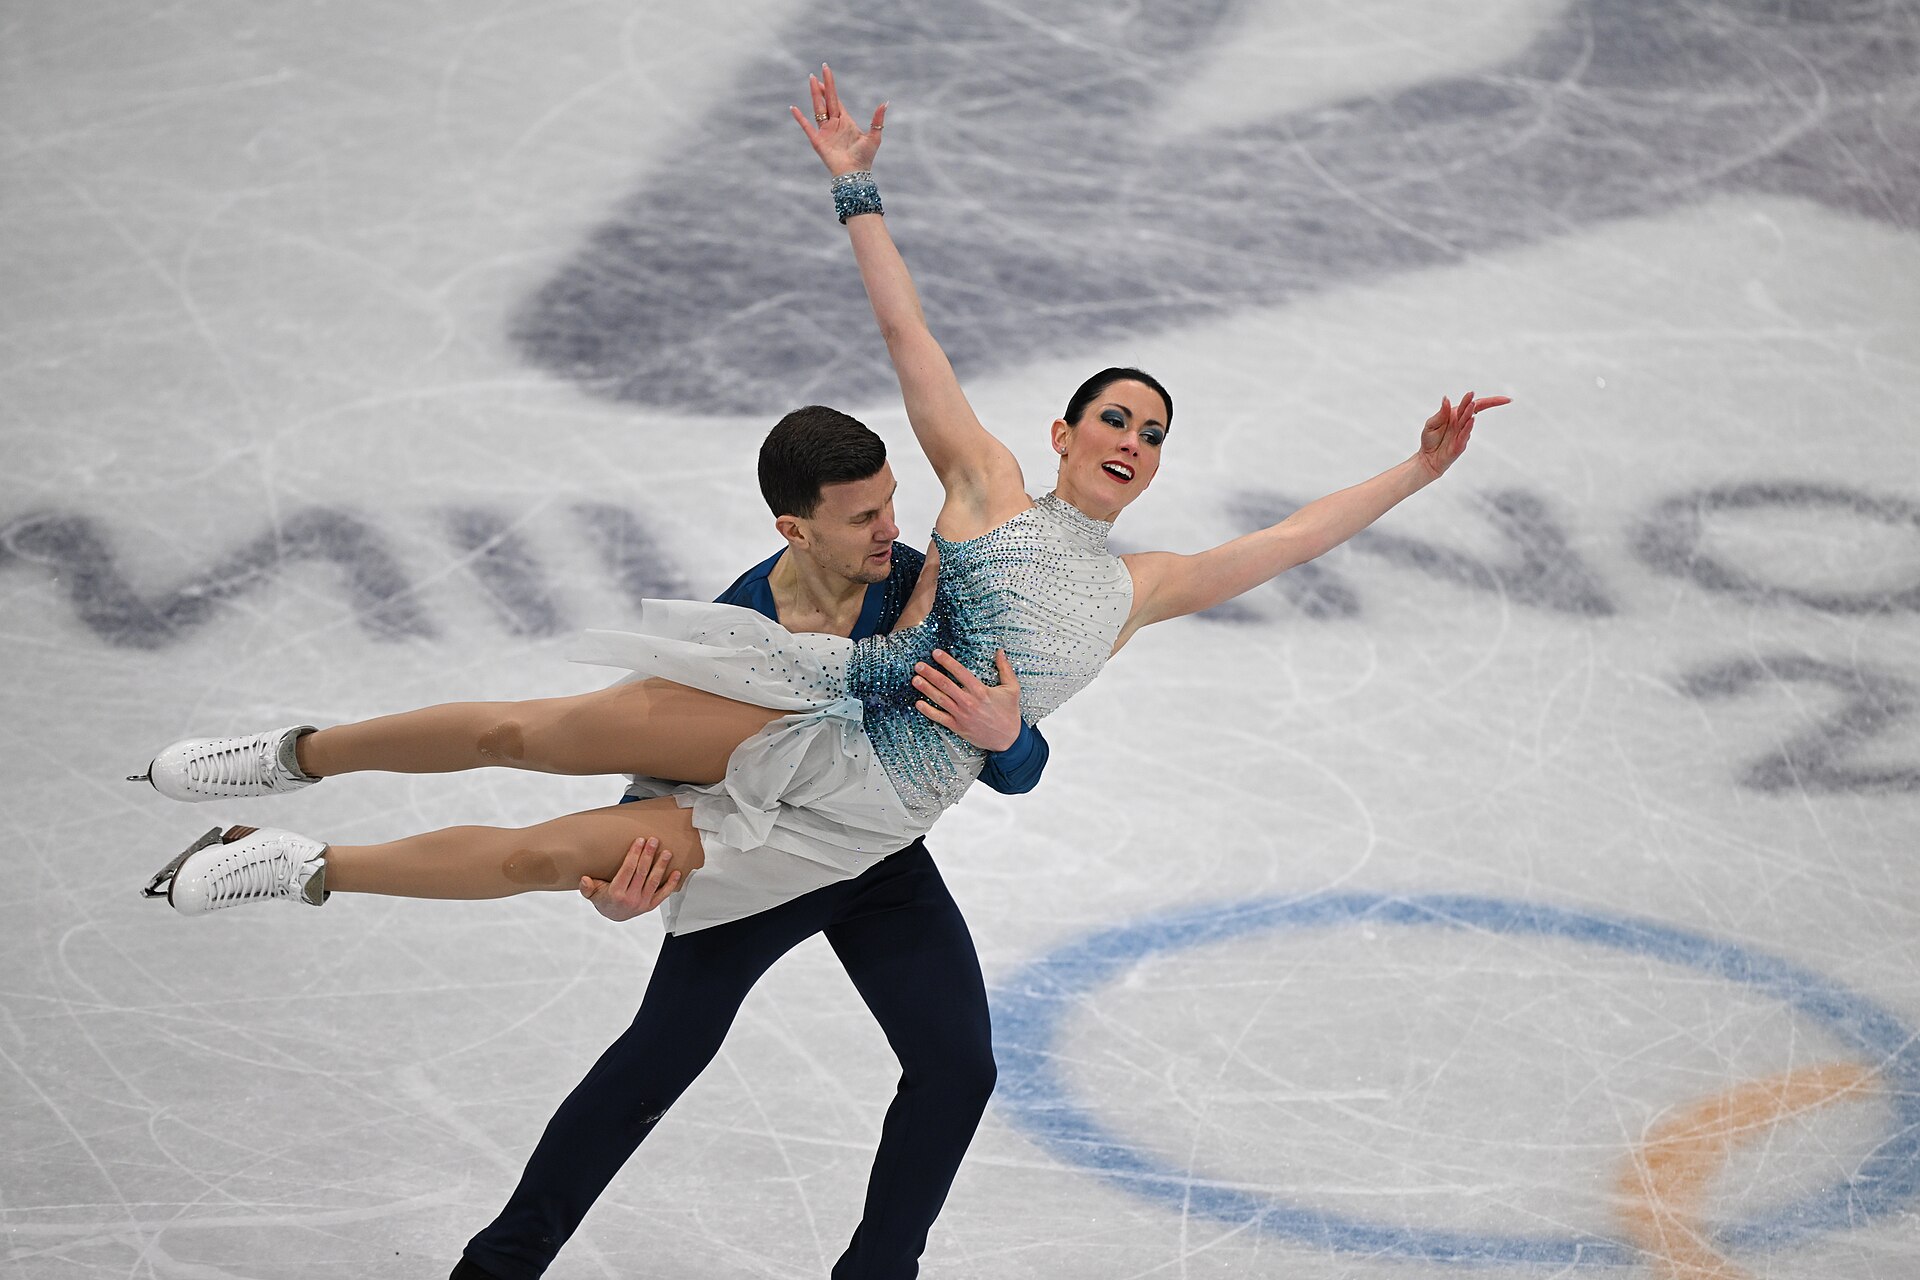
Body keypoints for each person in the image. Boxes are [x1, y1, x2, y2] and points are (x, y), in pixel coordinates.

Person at [136, 61, 1503, 935]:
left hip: (854, 811)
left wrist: (1416, 470)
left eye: (1152, 432)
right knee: (521, 723)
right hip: (808, 695)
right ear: (1067, 429)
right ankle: (296, 753)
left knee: (551, 859)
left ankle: (290, 864)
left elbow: (1290, 538)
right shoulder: (986, 485)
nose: (1134, 441)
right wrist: (859, 190)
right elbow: (912, 347)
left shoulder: (1144, 590)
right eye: (1115, 419)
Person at [451, 407, 1028, 1280]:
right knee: (658, 1059)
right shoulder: (737, 627)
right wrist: (619, 885)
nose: (892, 529)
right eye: (864, 517)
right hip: (761, 865)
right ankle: (497, 1267)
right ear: (794, 529)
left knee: (958, 1068)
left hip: (877, 864)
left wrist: (1003, 736)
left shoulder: (929, 590)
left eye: (891, 503)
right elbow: (651, 786)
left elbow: (1022, 770)